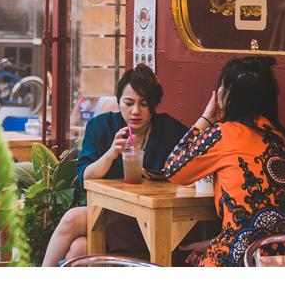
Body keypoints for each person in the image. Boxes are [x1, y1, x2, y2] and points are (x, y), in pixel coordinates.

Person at [163, 56, 285, 266]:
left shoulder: (224, 134)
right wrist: (213, 242)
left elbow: (173, 168)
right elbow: (273, 226)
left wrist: (206, 117)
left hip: (243, 261)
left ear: (227, 96)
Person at [42, 64, 188, 266]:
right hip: (106, 213)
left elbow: (193, 149)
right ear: (118, 101)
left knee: (73, 221)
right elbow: (85, 177)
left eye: (144, 104)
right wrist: (111, 153)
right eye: (129, 103)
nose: (135, 111)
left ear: (153, 106)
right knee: (78, 248)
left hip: (147, 218)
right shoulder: (102, 126)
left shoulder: (167, 129)